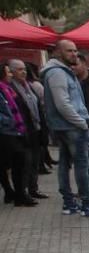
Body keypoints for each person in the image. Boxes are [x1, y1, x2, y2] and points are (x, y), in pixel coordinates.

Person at [41, 40, 89, 216]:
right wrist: (80, 123)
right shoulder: (57, 73)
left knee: (65, 164)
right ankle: (87, 204)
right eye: (69, 51)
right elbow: (62, 103)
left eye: (75, 50)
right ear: (57, 52)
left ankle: (70, 203)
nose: (74, 54)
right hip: (71, 126)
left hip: (65, 126)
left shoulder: (61, 72)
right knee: (81, 164)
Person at [7, 59, 47, 199]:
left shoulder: (28, 86)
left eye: (24, 69)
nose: (23, 72)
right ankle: (22, 192)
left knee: (35, 160)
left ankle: (33, 188)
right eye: (19, 69)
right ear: (11, 72)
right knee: (25, 163)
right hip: (22, 132)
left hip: (35, 129)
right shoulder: (10, 88)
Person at [0, 61, 36, 206]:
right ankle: (13, 192)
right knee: (9, 163)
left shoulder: (7, 89)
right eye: (8, 72)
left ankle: (18, 194)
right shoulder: (4, 90)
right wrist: (8, 121)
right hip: (5, 133)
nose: (10, 75)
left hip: (15, 132)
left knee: (18, 163)